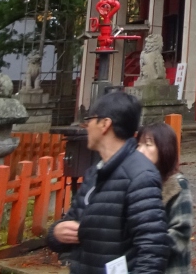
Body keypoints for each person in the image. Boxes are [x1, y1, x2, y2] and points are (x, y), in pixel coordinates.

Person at [49, 91, 169, 274]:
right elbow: (71, 221)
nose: (86, 125)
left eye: (90, 119)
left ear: (105, 124)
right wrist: (56, 233)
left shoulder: (140, 175)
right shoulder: (94, 173)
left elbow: (152, 249)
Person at [138, 122, 192, 274]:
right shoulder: (137, 182)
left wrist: (145, 248)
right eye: (139, 144)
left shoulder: (177, 184)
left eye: (148, 144)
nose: (140, 150)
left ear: (164, 149)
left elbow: (180, 232)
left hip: (170, 267)